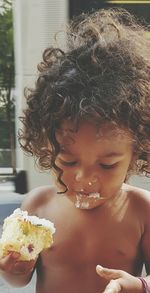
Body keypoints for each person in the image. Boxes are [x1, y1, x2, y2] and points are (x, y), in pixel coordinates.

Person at [0, 7, 150, 293]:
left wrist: (141, 284)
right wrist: (12, 270)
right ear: (47, 146)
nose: (84, 178)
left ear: (137, 152)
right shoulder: (36, 207)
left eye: (107, 165)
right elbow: (20, 279)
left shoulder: (142, 211)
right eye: (67, 161)